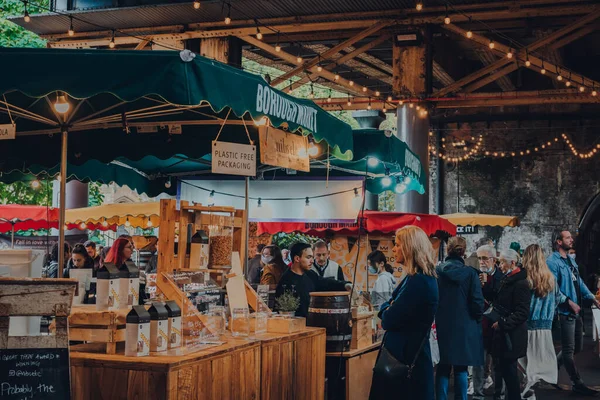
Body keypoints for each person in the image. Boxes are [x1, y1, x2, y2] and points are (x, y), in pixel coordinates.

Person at [376, 226, 439, 400]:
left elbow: (388, 319)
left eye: (397, 244)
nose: (394, 249)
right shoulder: (414, 278)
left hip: (407, 361)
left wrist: (387, 308)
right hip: (405, 358)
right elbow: (389, 306)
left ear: (410, 247)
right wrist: (388, 307)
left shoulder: (419, 282)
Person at [547, 229, 600, 396]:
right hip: (565, 312)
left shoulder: (570, 260)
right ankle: (577, 382)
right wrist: (568, 301)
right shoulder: (552, 262)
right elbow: (552, 289)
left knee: (578, 346)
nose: (572, 240)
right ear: (559, 241)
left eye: (571, 237)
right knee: (569, 350)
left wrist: (591, 297)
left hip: (576, 311)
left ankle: (552, 366)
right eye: (568, 237)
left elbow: (580, 282)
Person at [435, 237, 484, 400]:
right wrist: (476, 318)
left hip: (442, 325)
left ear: (448, 249)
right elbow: (477, 303)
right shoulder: (471, 274)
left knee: (442, 368)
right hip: (465, 326)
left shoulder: (437, 272)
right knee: (461, 369)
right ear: (463, 251)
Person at [519, 244, 567, 400]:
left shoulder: (524, 278)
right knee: (541, 359)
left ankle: (528, 386)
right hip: (545, 327)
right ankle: (530, 389)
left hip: (527, 325)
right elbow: (558, 299)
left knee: (524, 360)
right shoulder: (550, 279)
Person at [489, 249, 530, 400]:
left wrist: (503, 323)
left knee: (510, 375)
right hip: (506, 334)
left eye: (502, 262)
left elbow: (523, 312)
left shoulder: (520, 283)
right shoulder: (508, 280)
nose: (499, 265)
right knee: (507, 372)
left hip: (512, 335)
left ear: (512, 263)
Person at [275, 242, 350, 317]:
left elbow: (325, 282)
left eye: (312, 257)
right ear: (297, 258)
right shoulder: (286, 281)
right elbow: (282, 311)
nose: (312, 261)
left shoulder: (310, 274)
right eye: (308, 257)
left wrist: (345, 285)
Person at [471, 244, 505, 400]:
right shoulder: (474, 276)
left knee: (499, 362)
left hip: (497, 326)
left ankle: (500, 393)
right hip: (480, 325)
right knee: (478, 362)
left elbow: (501, 299)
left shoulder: (502, 276)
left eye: (485, 258)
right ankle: (478, 394)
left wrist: (487, 284)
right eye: (479, 258)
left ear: (494, 259)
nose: (482, 262)